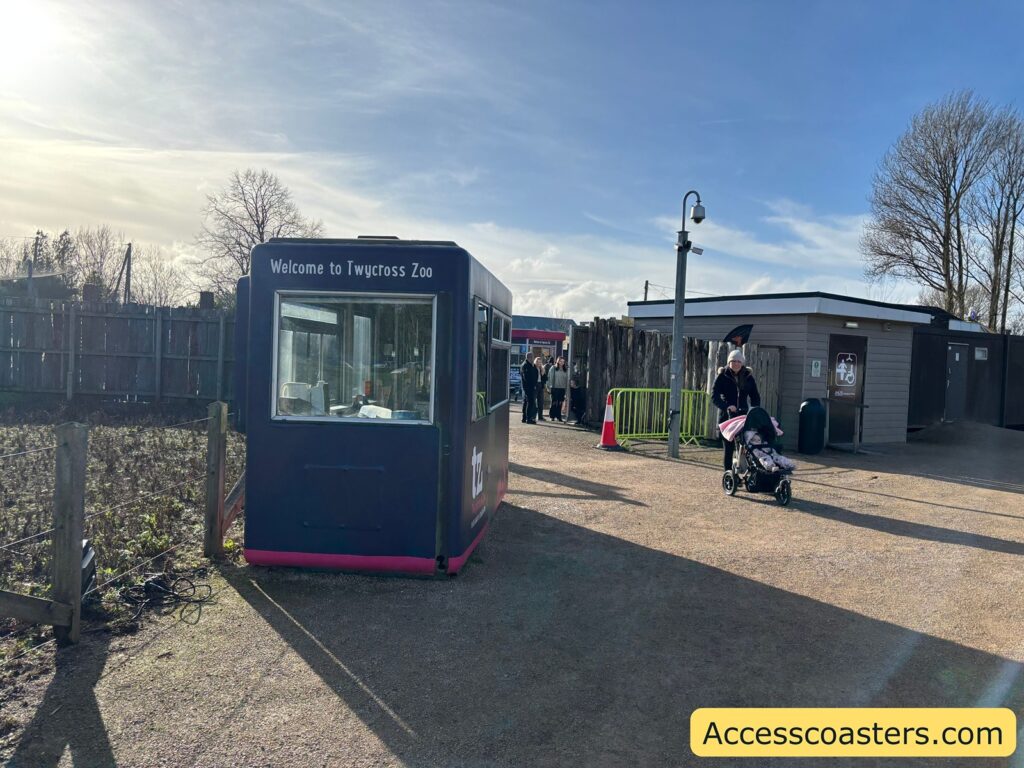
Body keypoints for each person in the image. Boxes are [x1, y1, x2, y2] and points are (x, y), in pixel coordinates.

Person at [712, 348, 761, 471]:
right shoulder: (722, 376)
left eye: (738, 361)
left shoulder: (748, 377)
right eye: (733, 361)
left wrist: (753, 411)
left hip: (743, 417)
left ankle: (744, 472)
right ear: (729, 363)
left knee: (744, 447)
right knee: (728, 449)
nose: (736, 363)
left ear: (742, 363)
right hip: (727, 417)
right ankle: (728, 475)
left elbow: (755, 397)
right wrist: (727, 406)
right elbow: (714, 396)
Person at [547, 357, 569, 421]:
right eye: (560, 361)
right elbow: (549, 378)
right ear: (557, 361)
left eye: (563, 361)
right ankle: (552, 416)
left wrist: (566, 389)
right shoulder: (553, 368)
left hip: (562, 388)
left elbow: (567, 379)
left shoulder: (565, 369)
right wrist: (548, 387)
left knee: (560, 403)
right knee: (554, 402)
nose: (562, 363)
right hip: (554, 388)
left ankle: (559, 416)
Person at [520, 356, 539, 423]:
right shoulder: (526, 365)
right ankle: (529, 418)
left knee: (526, 402)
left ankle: (524, 418)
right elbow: (527, 377)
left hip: (527, 387)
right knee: (530, 402)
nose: (533, 359)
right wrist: (533, 385)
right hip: (529, 387)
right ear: (529, 358)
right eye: (532, 358)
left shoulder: (528, 365)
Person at [536, 356, 550, 421]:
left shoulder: (542, 368)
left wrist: (543, 373)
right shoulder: (534, 368)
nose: (539, 363)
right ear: (535, 362)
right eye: (538, 362)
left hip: (540, 386)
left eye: (540, 362)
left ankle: (540, 416)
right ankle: (533, 416)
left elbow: (545, 378)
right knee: (534, 402)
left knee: (541, 402)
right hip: (535, 386)